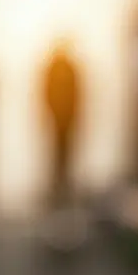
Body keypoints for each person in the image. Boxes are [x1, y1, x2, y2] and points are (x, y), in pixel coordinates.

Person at [42, 38, 82, 207]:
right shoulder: (56, 67)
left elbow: (77, 93)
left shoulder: (66, 67)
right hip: (58, 119)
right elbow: (46, 91)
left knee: (65, 155)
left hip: (66, 119)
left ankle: (63, 189)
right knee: (56, 155)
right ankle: (57, 189)